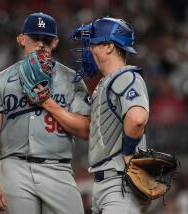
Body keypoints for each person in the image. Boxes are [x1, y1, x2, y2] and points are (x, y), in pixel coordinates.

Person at [0, 12, 91, 214]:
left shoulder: (71, 80)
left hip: (58, 167)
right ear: (22, 39)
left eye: (46, 40)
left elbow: (85, 130)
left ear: (55, 42)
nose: (40, 44)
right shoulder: (1, 80)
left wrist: (48, 103)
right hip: (14, 167)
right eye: (35, 38)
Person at [71, 17, 150, 213]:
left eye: (93, 44)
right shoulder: (107, 82)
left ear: (109, 47)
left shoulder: (127, 76)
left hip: (120, 183)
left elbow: (137, 118)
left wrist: (128, 152)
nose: (89, 49)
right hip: (105, 184)